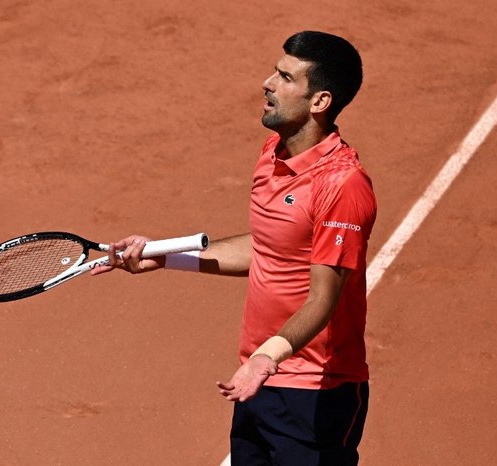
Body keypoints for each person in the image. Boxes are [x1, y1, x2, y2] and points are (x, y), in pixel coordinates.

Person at [92, 31, 376, 466]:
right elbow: (267, 249)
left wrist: (267, 357)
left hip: (318, 390)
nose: (267, 82)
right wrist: (165, 255)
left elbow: (324, 298)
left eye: (285, 78)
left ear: (319, 102)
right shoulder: (273, 153)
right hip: (259, 380)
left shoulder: (342, 185)